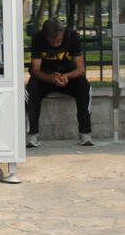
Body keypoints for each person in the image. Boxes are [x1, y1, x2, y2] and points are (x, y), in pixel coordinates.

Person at [25, 18, 93, 148]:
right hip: (46, 78)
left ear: (62, 32)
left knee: (84, 87)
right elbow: (35, 70)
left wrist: (66, 76)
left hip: (69, 77)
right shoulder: (38, 38)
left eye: (58, 41)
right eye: (52, 42)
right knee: (31, 88)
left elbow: (80, 69)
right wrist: (50, 78)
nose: (55, 44)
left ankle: (85, 134)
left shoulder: (72, 37)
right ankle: (32, 135)